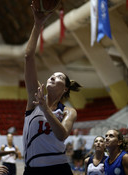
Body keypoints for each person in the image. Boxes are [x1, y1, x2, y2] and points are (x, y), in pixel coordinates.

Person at [22, 3, 81, 175]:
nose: (53, 77)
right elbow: (28, 57)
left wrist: (45, 108)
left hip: (58, 169)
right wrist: (38, 25)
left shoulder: (69, 111)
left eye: (59, 77)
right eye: (52, 75)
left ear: (65, 89)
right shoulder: (34, 98)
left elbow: (62, 135)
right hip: (32, 170)